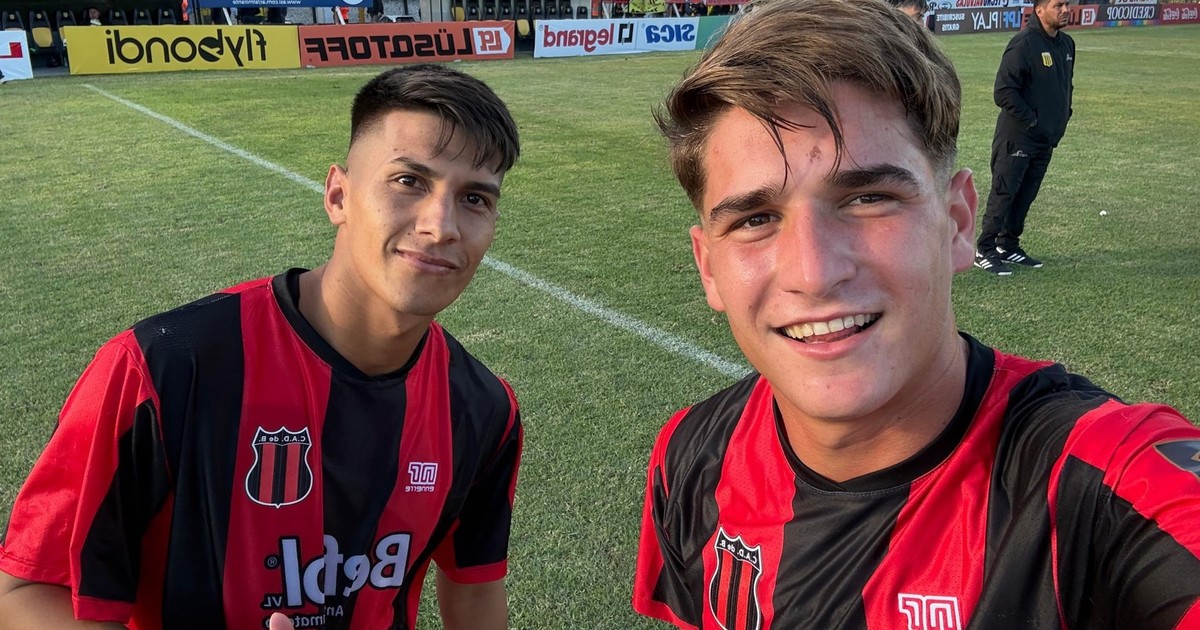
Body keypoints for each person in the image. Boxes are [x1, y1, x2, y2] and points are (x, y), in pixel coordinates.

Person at [632, 0, 1200, 628]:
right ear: (709, 267)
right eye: (755, 219)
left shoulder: (1106, 486)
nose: (813, 272)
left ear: (957, 223)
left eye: (868, 198)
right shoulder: (690, 454)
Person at [0, 64, 523, 630]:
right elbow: (25, 591)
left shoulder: (483, 408)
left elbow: (475, 593)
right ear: (338, 195)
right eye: (408, 181)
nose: (441, 225)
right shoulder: (161, 368)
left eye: (474, 198)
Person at [974, 0, 1074, 275]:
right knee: (1004, 193)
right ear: (1039, 10)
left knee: (1026, 194)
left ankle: (1008, 245)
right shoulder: (1024, 43)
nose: (1065, 10)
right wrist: (1032, 120)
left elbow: (1066, 85)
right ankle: (985, 249)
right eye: (1058, 5)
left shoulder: (1067, 44)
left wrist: (1064, 115)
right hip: (1018, 136)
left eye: (1067, 4)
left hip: (1045, 139)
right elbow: (1003, 91)